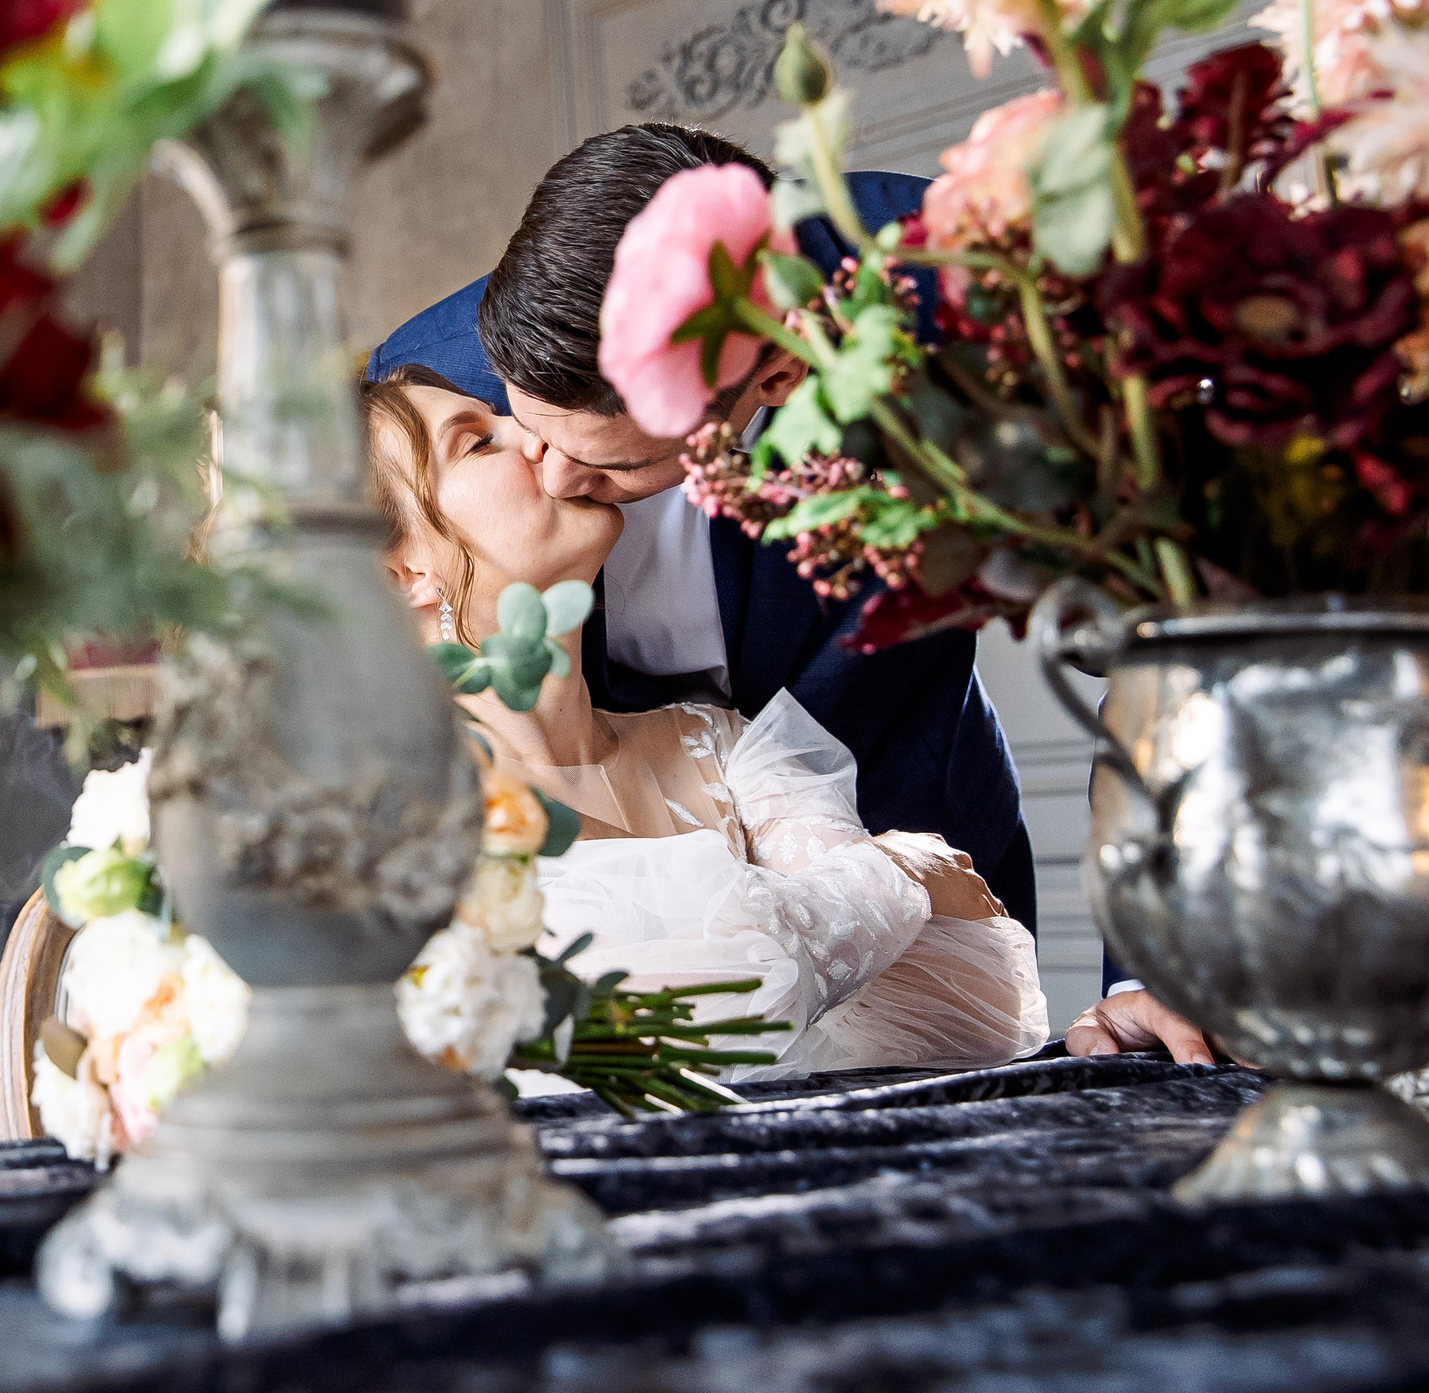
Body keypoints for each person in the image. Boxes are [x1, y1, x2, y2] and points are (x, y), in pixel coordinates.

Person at [370, 119, 1212, 1061]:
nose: (553, 472)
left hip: (916, 836)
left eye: (611, 466)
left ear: (777, 371)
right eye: (520, 427)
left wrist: (1164, 969)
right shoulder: (439, 382)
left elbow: (1171, 634)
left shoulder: (975, 299)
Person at [363, 368, 1047, 1074]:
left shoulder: (719, 742)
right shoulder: (403, 811)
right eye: (478, 442)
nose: (539, 436)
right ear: (399, 574)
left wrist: (811, 930)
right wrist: (904, 869)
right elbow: (667, 1026)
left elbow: (981, 1003)